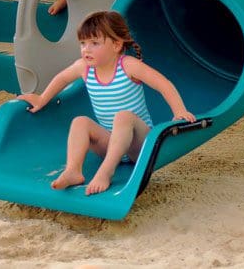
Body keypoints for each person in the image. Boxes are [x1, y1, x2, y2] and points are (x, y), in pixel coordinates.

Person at [17, 10, 194, 196]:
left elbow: (163, 83)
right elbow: (62, 78)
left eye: (94, 43)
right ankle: (73, 170)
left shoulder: (128, 65)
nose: (86, 49)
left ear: (116, 45)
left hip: (139, 147)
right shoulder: (84, 68)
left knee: (123, 116)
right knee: (80, 122)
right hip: (111, 145)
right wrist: (42, 98)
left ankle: (106, 172)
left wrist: (179, 110)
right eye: (83, 43)